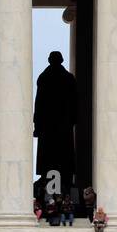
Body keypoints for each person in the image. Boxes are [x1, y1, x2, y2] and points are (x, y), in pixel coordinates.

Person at [34, 50, 78, 189]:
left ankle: (50, 179)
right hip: (63, 123)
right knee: (63, 153)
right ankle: (63, 179)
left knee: (49, 153)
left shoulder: (44, 78)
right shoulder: (69, 78)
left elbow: (39, 102)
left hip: (49, 123)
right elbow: (75, 101)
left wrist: (37, 123)